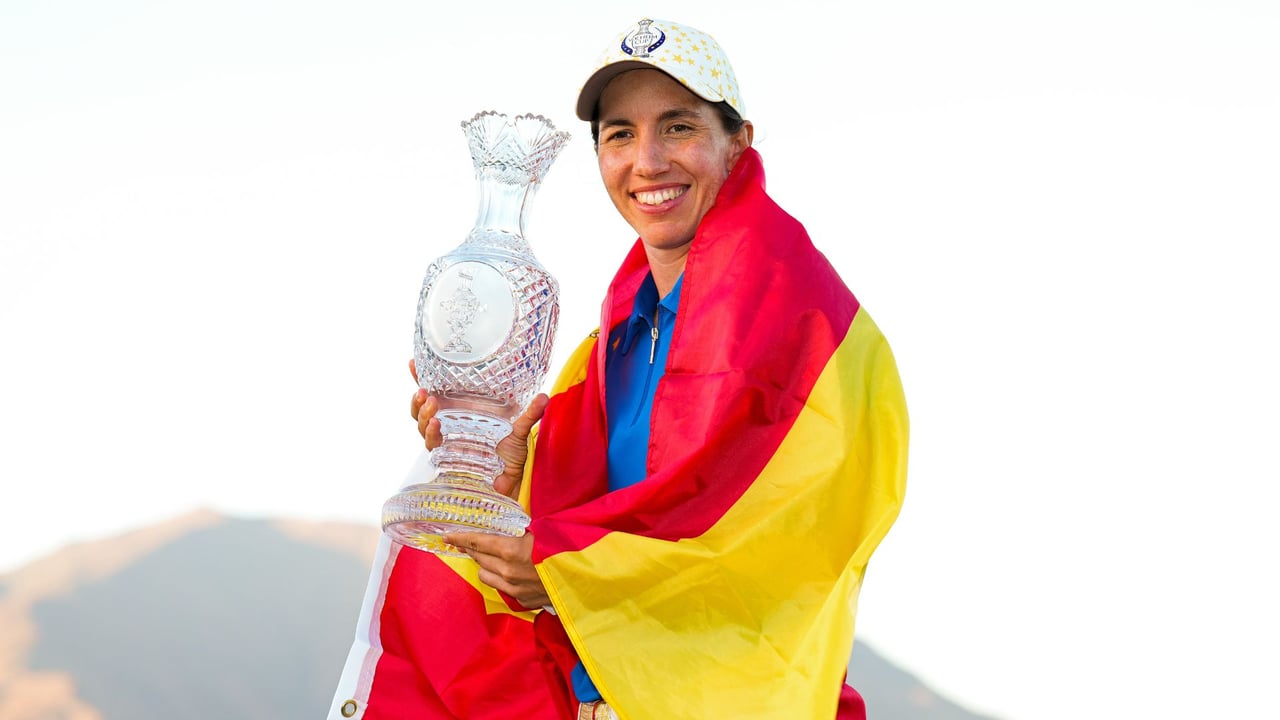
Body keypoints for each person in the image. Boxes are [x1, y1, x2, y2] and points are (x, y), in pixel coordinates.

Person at [327, 18, 907, 720]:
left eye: (679, 127)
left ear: (738, 143)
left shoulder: (804, 319)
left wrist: (565, 566)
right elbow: (590, 530)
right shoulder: (617, 342)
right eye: (620, 134)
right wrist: (490, 470)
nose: (648, 161)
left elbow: (773, 550)